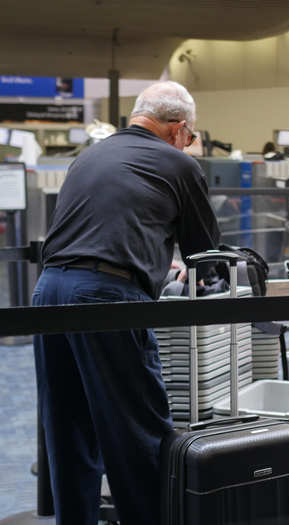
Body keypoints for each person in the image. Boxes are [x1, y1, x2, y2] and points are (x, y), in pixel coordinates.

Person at [32, 81, 219, 525]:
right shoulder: (178, 163)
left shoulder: (89, 156)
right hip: (107, 296)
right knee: (137, 431)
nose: (188, 144)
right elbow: (205, 255)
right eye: (191, 137)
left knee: (69, 426)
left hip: (49, 290)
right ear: (179, 129)